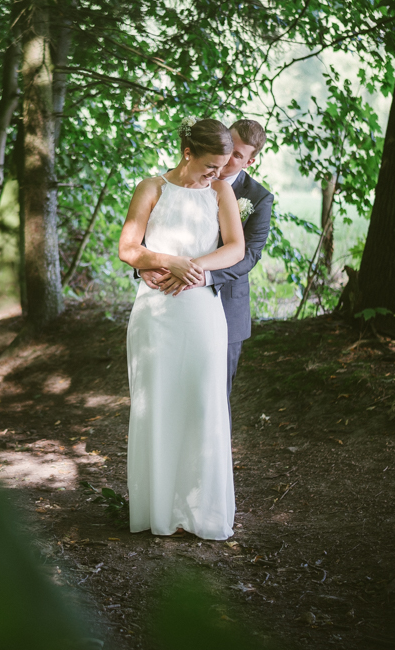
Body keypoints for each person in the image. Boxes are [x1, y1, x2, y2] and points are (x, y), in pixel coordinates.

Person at [118, 118, 246, 540]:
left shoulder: (221, 192)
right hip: (156, 316)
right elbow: (128, 249)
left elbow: (235, 248)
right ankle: (158, 511)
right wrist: (163, 261)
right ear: (188, 153)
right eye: (211, 165)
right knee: (157, 405)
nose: (218, 174)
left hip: (202, 312)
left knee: (203, 403)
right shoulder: (151, 188)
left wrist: (192, 268)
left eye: (223, 166)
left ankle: (200, 511)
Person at [142, 119, 274, 409]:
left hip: (223, 304)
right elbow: (149, 231)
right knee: (165, 390)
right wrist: (143, 266)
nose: (227, 160)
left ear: (250, 161)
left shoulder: (258, 197)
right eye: (229, 146)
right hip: (166, 298)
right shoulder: (172, 182)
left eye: (237, 156)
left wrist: (201, 276)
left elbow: (249, 254)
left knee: (212, 399)